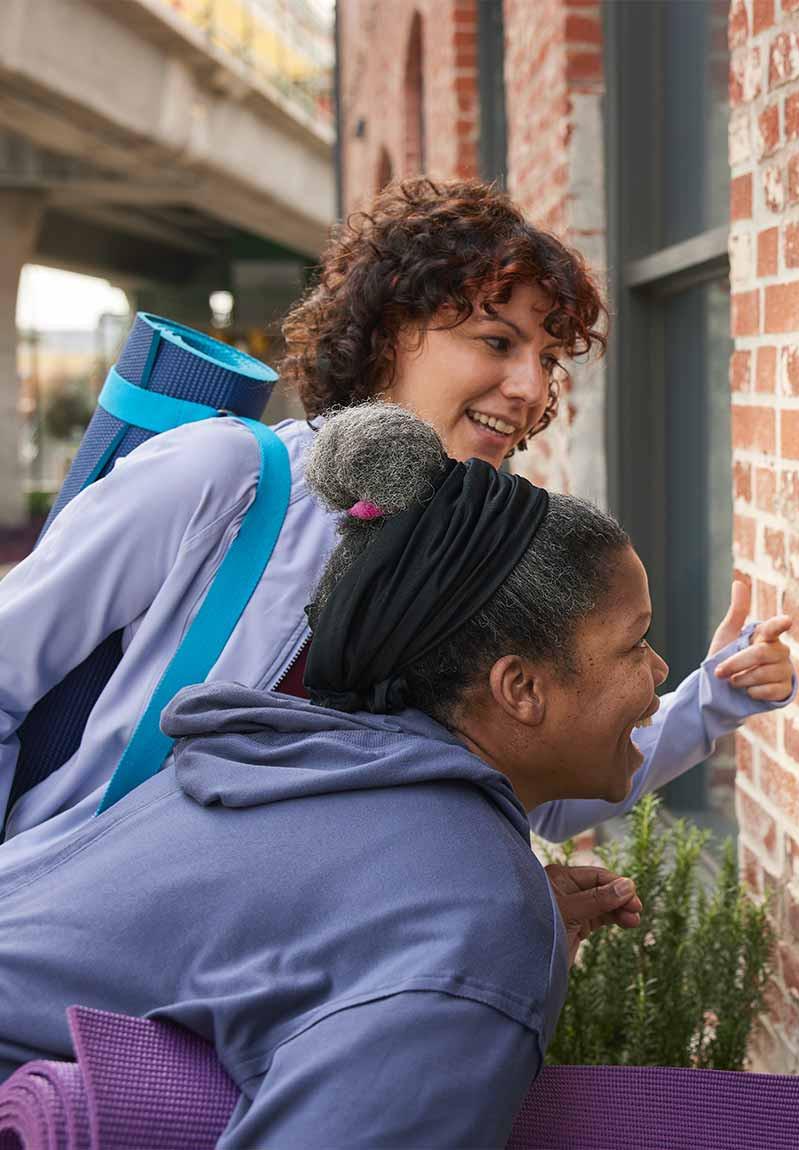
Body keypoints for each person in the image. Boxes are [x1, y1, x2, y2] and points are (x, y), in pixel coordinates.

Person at [0, 178, 796, 871]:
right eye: (497, 341)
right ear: (390, 333)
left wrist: (709, 702)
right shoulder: (226, 477)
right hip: (74, 940)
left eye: (549, 359)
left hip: (263, 987)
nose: (529, 387)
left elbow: (537, 792)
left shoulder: (478, 560)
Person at [2, 403, 697, 1146]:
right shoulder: (469, 915)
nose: (660, 674)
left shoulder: (306, 761)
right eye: (636, 644)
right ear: (520, 689)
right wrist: (481, 958)